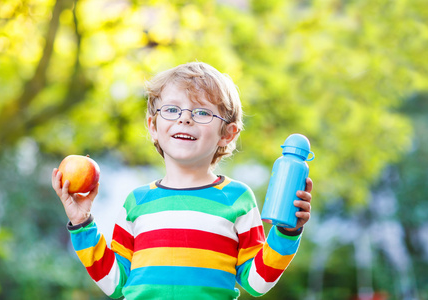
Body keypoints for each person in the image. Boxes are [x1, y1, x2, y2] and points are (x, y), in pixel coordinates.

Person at [51, 61, 313, 300]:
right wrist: (82, 222)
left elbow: (257, 282)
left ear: (228, 134)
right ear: (153, 126)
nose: (184, 118)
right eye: (173, 109)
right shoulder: (137, 201)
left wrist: (287, 232)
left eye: (202, 113)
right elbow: (115, 282)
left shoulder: (237, 199)